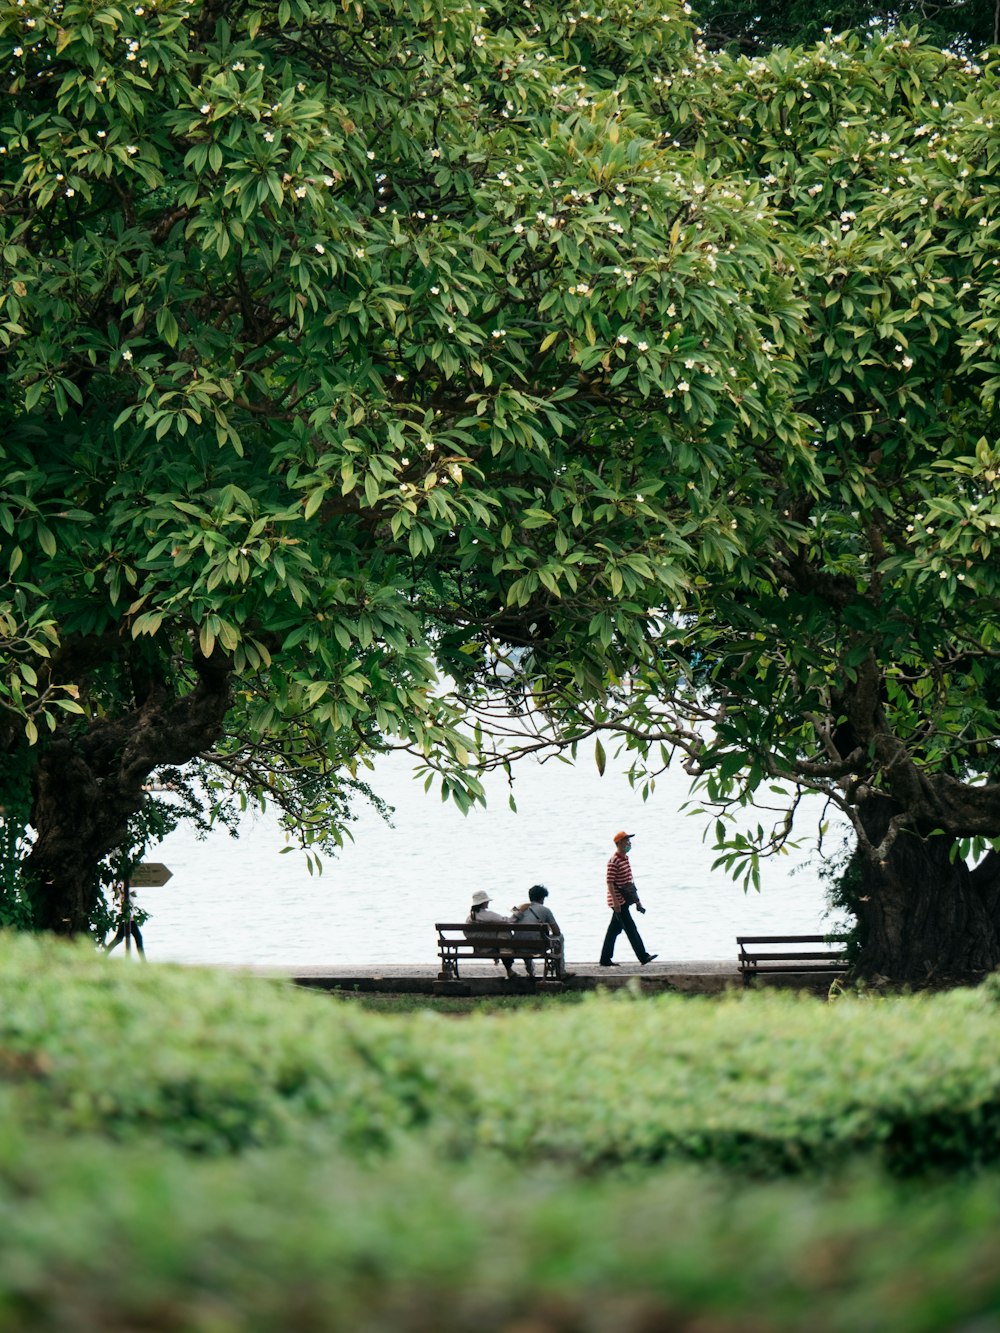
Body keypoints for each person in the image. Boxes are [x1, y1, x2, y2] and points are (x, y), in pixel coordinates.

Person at [599, 831, 657, 967]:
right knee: (631, 928)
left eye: (629, 841)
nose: (629, 843)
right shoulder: (614, 861)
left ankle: (605, 959)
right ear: (619, 843)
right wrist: (615, 902)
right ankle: (643, 956)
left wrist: (637, 901)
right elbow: (610, 882)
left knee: (613, 930)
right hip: (618, 901)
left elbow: (629, 883)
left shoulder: (625, 859)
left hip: (625, 899)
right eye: (626, 841)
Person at [511, 884, 574, 979]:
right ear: (542, 898)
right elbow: (557, 932)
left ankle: (531, 971)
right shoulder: (545, 910)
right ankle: (561, 972)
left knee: (525, 937)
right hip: (538, 947)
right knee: (560, 937)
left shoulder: (519, 910)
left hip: (519, 947)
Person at [466, 889, 517, 978]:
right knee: (504, 933)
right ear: (484, 903)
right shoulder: (489, 915)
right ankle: (509, 968)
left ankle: (509, 969)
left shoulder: (470, 918)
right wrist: (516, 913)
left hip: (479, 948)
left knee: (501, 937)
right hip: (491, 947)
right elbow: (508, 921)